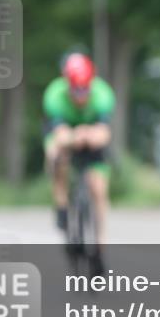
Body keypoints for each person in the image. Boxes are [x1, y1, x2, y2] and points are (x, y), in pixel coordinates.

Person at [42, 51, 115, 275]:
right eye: (76, 89)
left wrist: (89, 135)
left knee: (99, 188)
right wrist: (76, 136)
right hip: (66, 135)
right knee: (56, 154)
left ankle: (101, 246)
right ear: (68, 85)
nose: (81, 95)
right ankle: (61, 203)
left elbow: (104, 133)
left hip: (91, 138)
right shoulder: (54, 95)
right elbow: (60, 134)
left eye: (85, 89)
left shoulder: (103, 93)